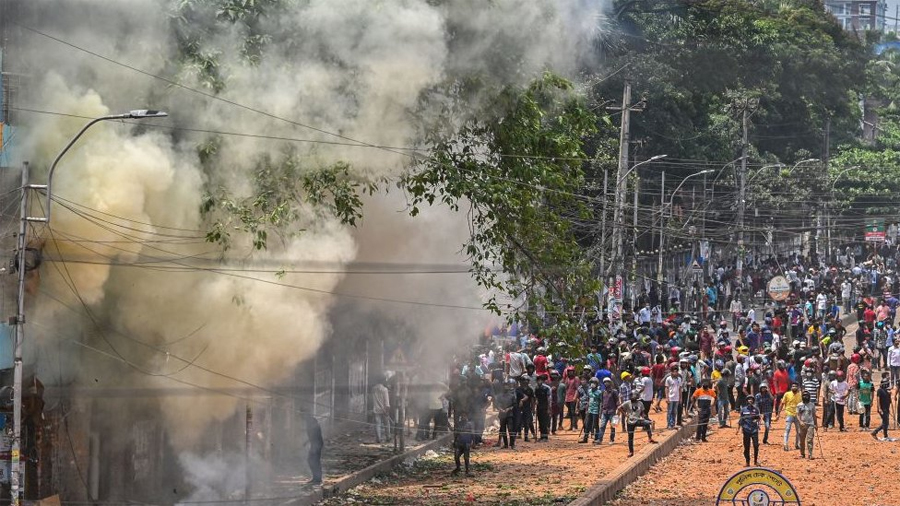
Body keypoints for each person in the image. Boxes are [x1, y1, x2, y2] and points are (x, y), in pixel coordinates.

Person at [618, 391, 658, 457]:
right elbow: (619, 408)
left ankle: (650, 438)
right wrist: (625, 415)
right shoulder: (627, 403)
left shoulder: (640, 403)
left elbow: (642, 413)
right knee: (630, 437)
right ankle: (631, 452)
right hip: (630, 422)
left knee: (647, 424)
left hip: (638, 420)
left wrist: (646, 418)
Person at [739, 395, 761, 467]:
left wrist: (756, 420)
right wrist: (738, 429)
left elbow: (758, 418)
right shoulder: (743, 410)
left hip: (754, 430)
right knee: (747, 446)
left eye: (751, 400)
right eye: (749, 399)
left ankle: (755, 461)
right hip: (746, 430)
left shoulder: (756, 409)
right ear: (747, 401)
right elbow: (741, 420)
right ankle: (747, 462)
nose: (750, 401)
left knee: (756, 446)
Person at [303, 414, 324, 485]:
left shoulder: (312, 424)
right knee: (313, 460)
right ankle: (316, 478)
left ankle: (317, 479)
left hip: (316, 444)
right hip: (315, 444)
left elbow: (314, 436)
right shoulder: (313, 424)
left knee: (313, 460)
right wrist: (306, 442)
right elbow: (312, 436)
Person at [579, 377, 602, 444]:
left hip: (596, 410)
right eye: (591, 382)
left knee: (595, 425)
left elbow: (601, 402)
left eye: (594, 383)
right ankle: (585, 438)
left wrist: (600, 411)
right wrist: (587, 408)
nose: (592, 384)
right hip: (590, 410)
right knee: (587, 424)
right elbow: (589, 400)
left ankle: (596, 438)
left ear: (597, 384)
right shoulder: (589, 391)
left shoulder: (599, 392)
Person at [780, 383, 801, 451]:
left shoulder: (800, 395)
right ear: (791, 387)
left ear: (797, 387)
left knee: (799, 431)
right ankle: (785, 444)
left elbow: (801, 406)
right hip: (789, 414)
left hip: (797, 415)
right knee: (787, 429)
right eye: (793, 386)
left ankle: (797, 444)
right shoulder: (787, 394)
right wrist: (778, 413)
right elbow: (782, 403)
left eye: (795, 386)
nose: (794, 387)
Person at [796, 391, 817, 460]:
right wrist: (800, 422)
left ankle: (810, 454)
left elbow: (814, 415)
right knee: (802, 440)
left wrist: (816, 424)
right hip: (802, 425)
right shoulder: (799, 405)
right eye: (804, 396)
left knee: (809, 439)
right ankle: (802, 454)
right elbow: (797, 415)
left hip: (810, 424)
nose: (805, 397)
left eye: (807, 396)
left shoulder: (812, 405)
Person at [452, 412, 474, 476]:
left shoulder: (470, 424)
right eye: (461, 416)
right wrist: (455, 441)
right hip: (459, 443)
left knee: (466, 457)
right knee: (456, 456)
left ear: (467, 417)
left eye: (464, 416)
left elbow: (473, 434)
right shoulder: (458, 424)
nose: (463, 418)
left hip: (467, 443)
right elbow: (456, 433)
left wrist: (474, 443)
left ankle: (467, 470)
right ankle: (458, 467)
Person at [372, 379, 391, 444]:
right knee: (386, 424)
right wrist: (387, 410)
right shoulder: (384, 389)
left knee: (377, 424)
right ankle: (388, 437)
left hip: (376, 409)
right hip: (384, 409)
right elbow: (386, 401)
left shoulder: (373, 389)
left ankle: (378, 439)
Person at [534, 374, 552, 441]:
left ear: (542, 381)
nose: (539, 381)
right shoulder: (536, 388)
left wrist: (549, 408)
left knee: (544, 422)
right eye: (538, 380)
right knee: (540, 421)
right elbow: (536, 397)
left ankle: (545, 437)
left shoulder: (546, 388)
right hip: (539, 406)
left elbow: (549, 398)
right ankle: (541, 436)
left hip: (545, 406)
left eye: (540, 380)